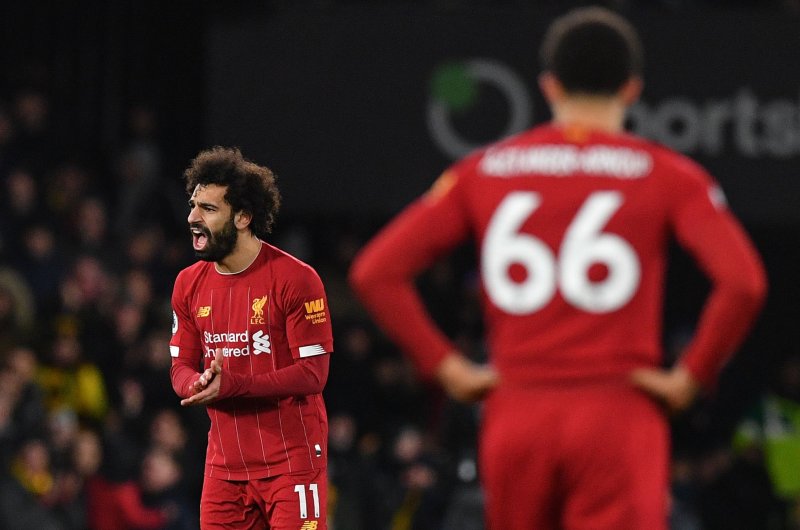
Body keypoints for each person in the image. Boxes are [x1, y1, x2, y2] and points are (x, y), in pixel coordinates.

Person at [349, 7, 767, 530]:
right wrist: (690, 376)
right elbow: (744, 283)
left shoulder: (484, 170)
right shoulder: (668, 175)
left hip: (517, 412)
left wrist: (449, 369)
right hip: (618, 411)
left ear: (549, 86)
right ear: (632, 89)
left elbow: (374, 272)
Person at [169, 147, 333, 529]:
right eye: (194, 205)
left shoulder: (296, 279)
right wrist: (198, 383)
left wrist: (234, 385)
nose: (193, 218)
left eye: (208, 209)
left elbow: (313, 374)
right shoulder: (187, 284)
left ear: (243, 217)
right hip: (224, 470)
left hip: (291, 464)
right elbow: (180, 365)